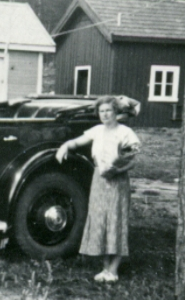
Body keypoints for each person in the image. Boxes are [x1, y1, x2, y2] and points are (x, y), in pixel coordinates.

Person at [55, 96, 141, 283]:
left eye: (108, 110)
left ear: (116, 112)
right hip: (99, 179)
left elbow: (133, 160)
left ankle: (114, 270)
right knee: (101, 221)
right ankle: (104, 268)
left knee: (116, 221)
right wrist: (64, 146)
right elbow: (77, 142)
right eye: (101, 111)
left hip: (117, 180)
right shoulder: (96, 131)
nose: (105, 114)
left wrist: (118, 169)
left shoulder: (125, 132)